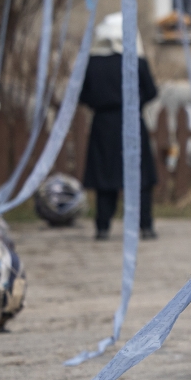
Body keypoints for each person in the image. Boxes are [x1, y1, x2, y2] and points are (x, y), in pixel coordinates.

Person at [81, 13, 159, 240]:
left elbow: (84, 94)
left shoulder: (93, 63)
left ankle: (102, 226)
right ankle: (146, 226)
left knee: (106, 177)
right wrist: (134, 103)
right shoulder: (136, 61)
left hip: (103, 125)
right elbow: (151, 91)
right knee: (139, 176)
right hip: (131, 123)